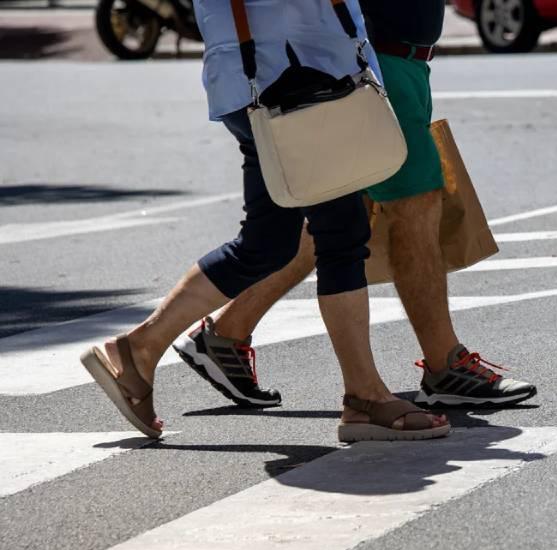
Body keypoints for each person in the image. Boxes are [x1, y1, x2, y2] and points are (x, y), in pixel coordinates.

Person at [81, 0, 448, 442]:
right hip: (292, 73)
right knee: (341, 233)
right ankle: (365, 398)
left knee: (268, 241)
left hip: (268, 74)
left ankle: (138, 350)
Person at [172, 0, 538, 410]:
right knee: (413, 203)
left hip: (392, 57)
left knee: (336, 215)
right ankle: (444, 364)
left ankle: (225, 334)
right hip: (372, 57)